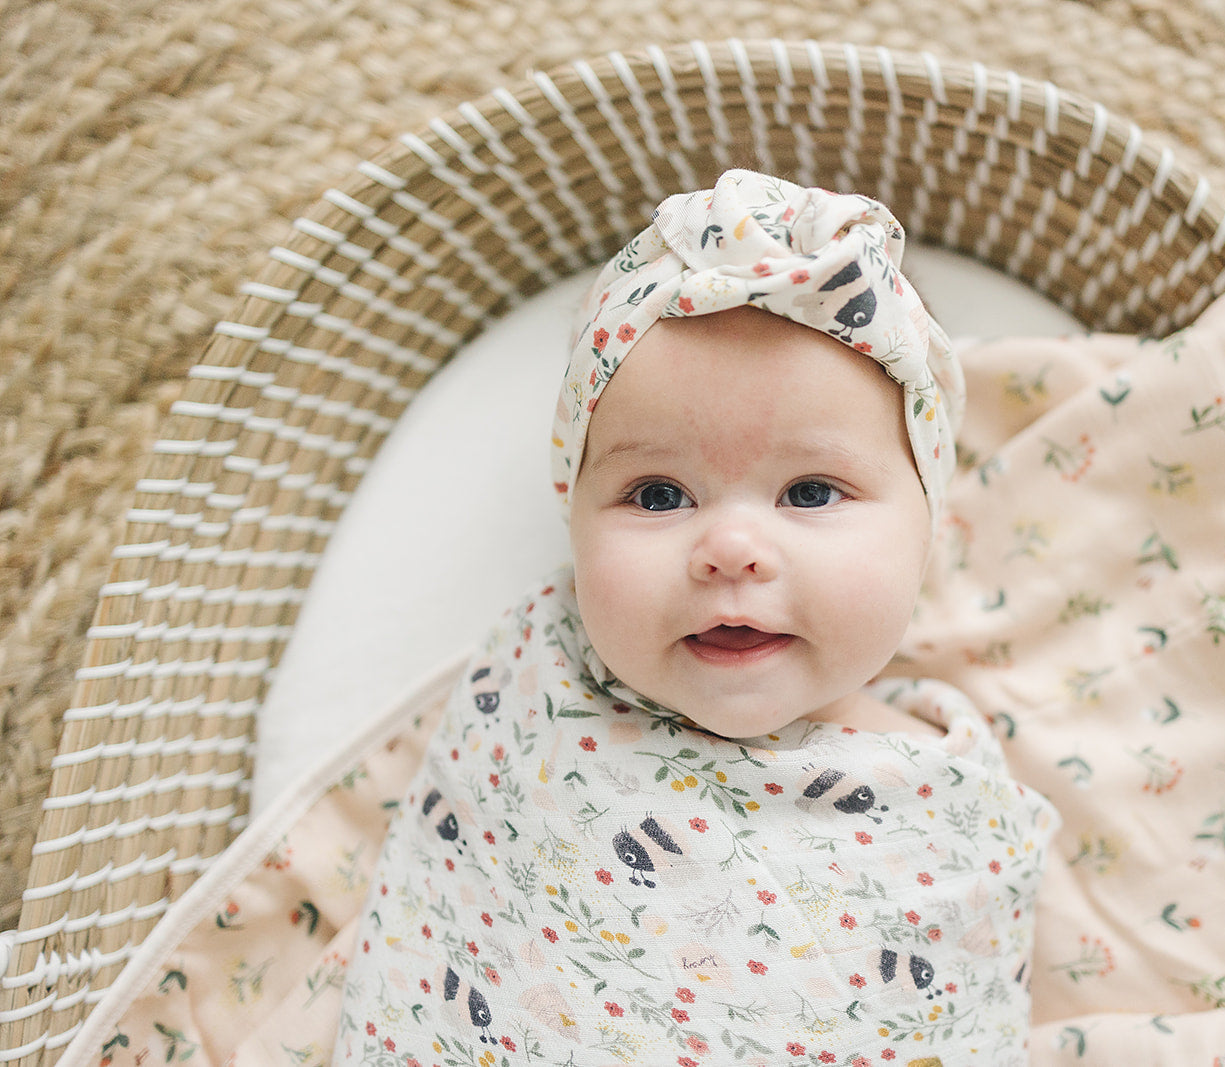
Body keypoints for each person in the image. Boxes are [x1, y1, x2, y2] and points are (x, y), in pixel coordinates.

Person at [334, 170, 1059, 1066]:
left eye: (811, 491)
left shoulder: (948, 810)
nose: (731, 549)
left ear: (926, 529)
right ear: (574, 516)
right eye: (658, 493)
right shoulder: (537, 688)